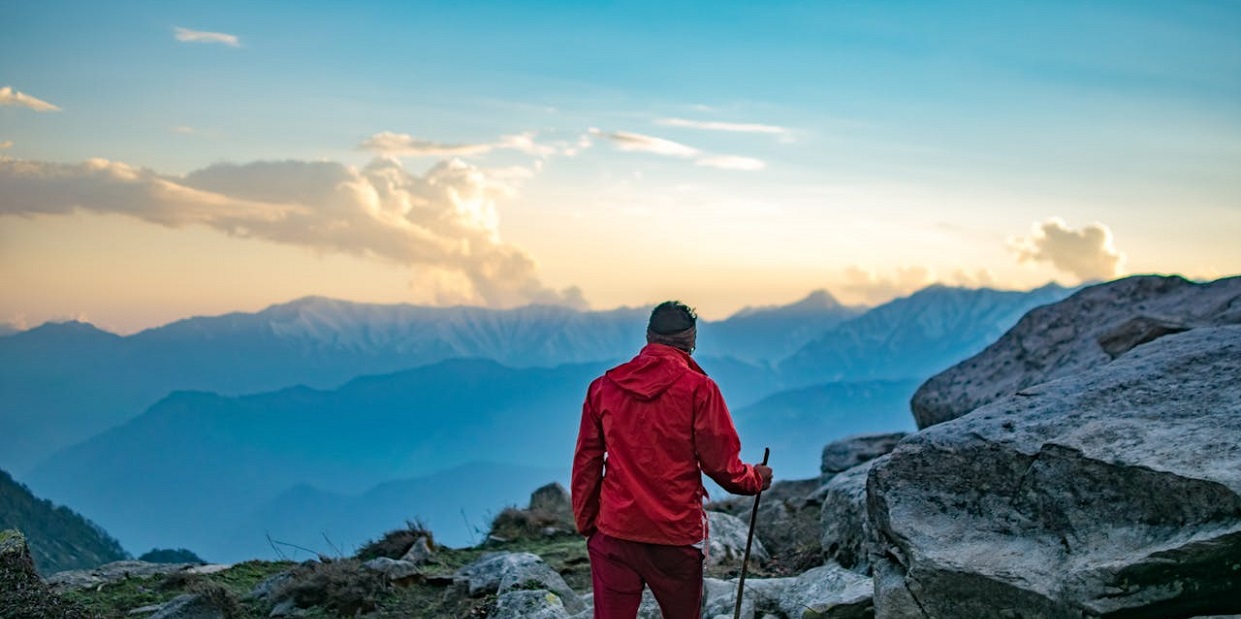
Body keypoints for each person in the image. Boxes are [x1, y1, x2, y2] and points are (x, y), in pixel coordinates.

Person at [571, 300, 773, 619]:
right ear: (691, 340)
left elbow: (586, 462)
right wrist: (755, 479)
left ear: (649, 336)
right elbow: (722, 467)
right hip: (675, 537)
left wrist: (588, 524)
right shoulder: (700, 390)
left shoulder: (603, 388)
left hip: (614, 535)